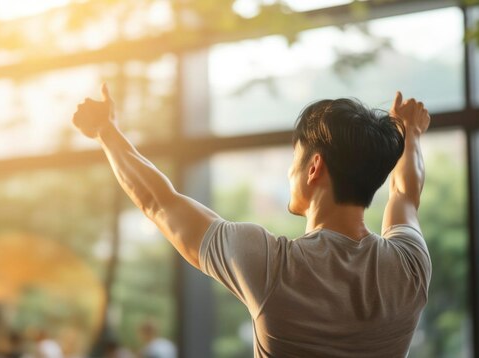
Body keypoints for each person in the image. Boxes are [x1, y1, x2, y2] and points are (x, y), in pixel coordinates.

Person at [72, 85, 431, 357]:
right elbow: (405, 194)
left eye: (295, 157)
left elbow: (158, 202)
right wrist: (410, 135)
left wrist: (107, 131)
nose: (290, 170)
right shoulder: (410, 265)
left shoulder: (272, 265)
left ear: (314, 167)